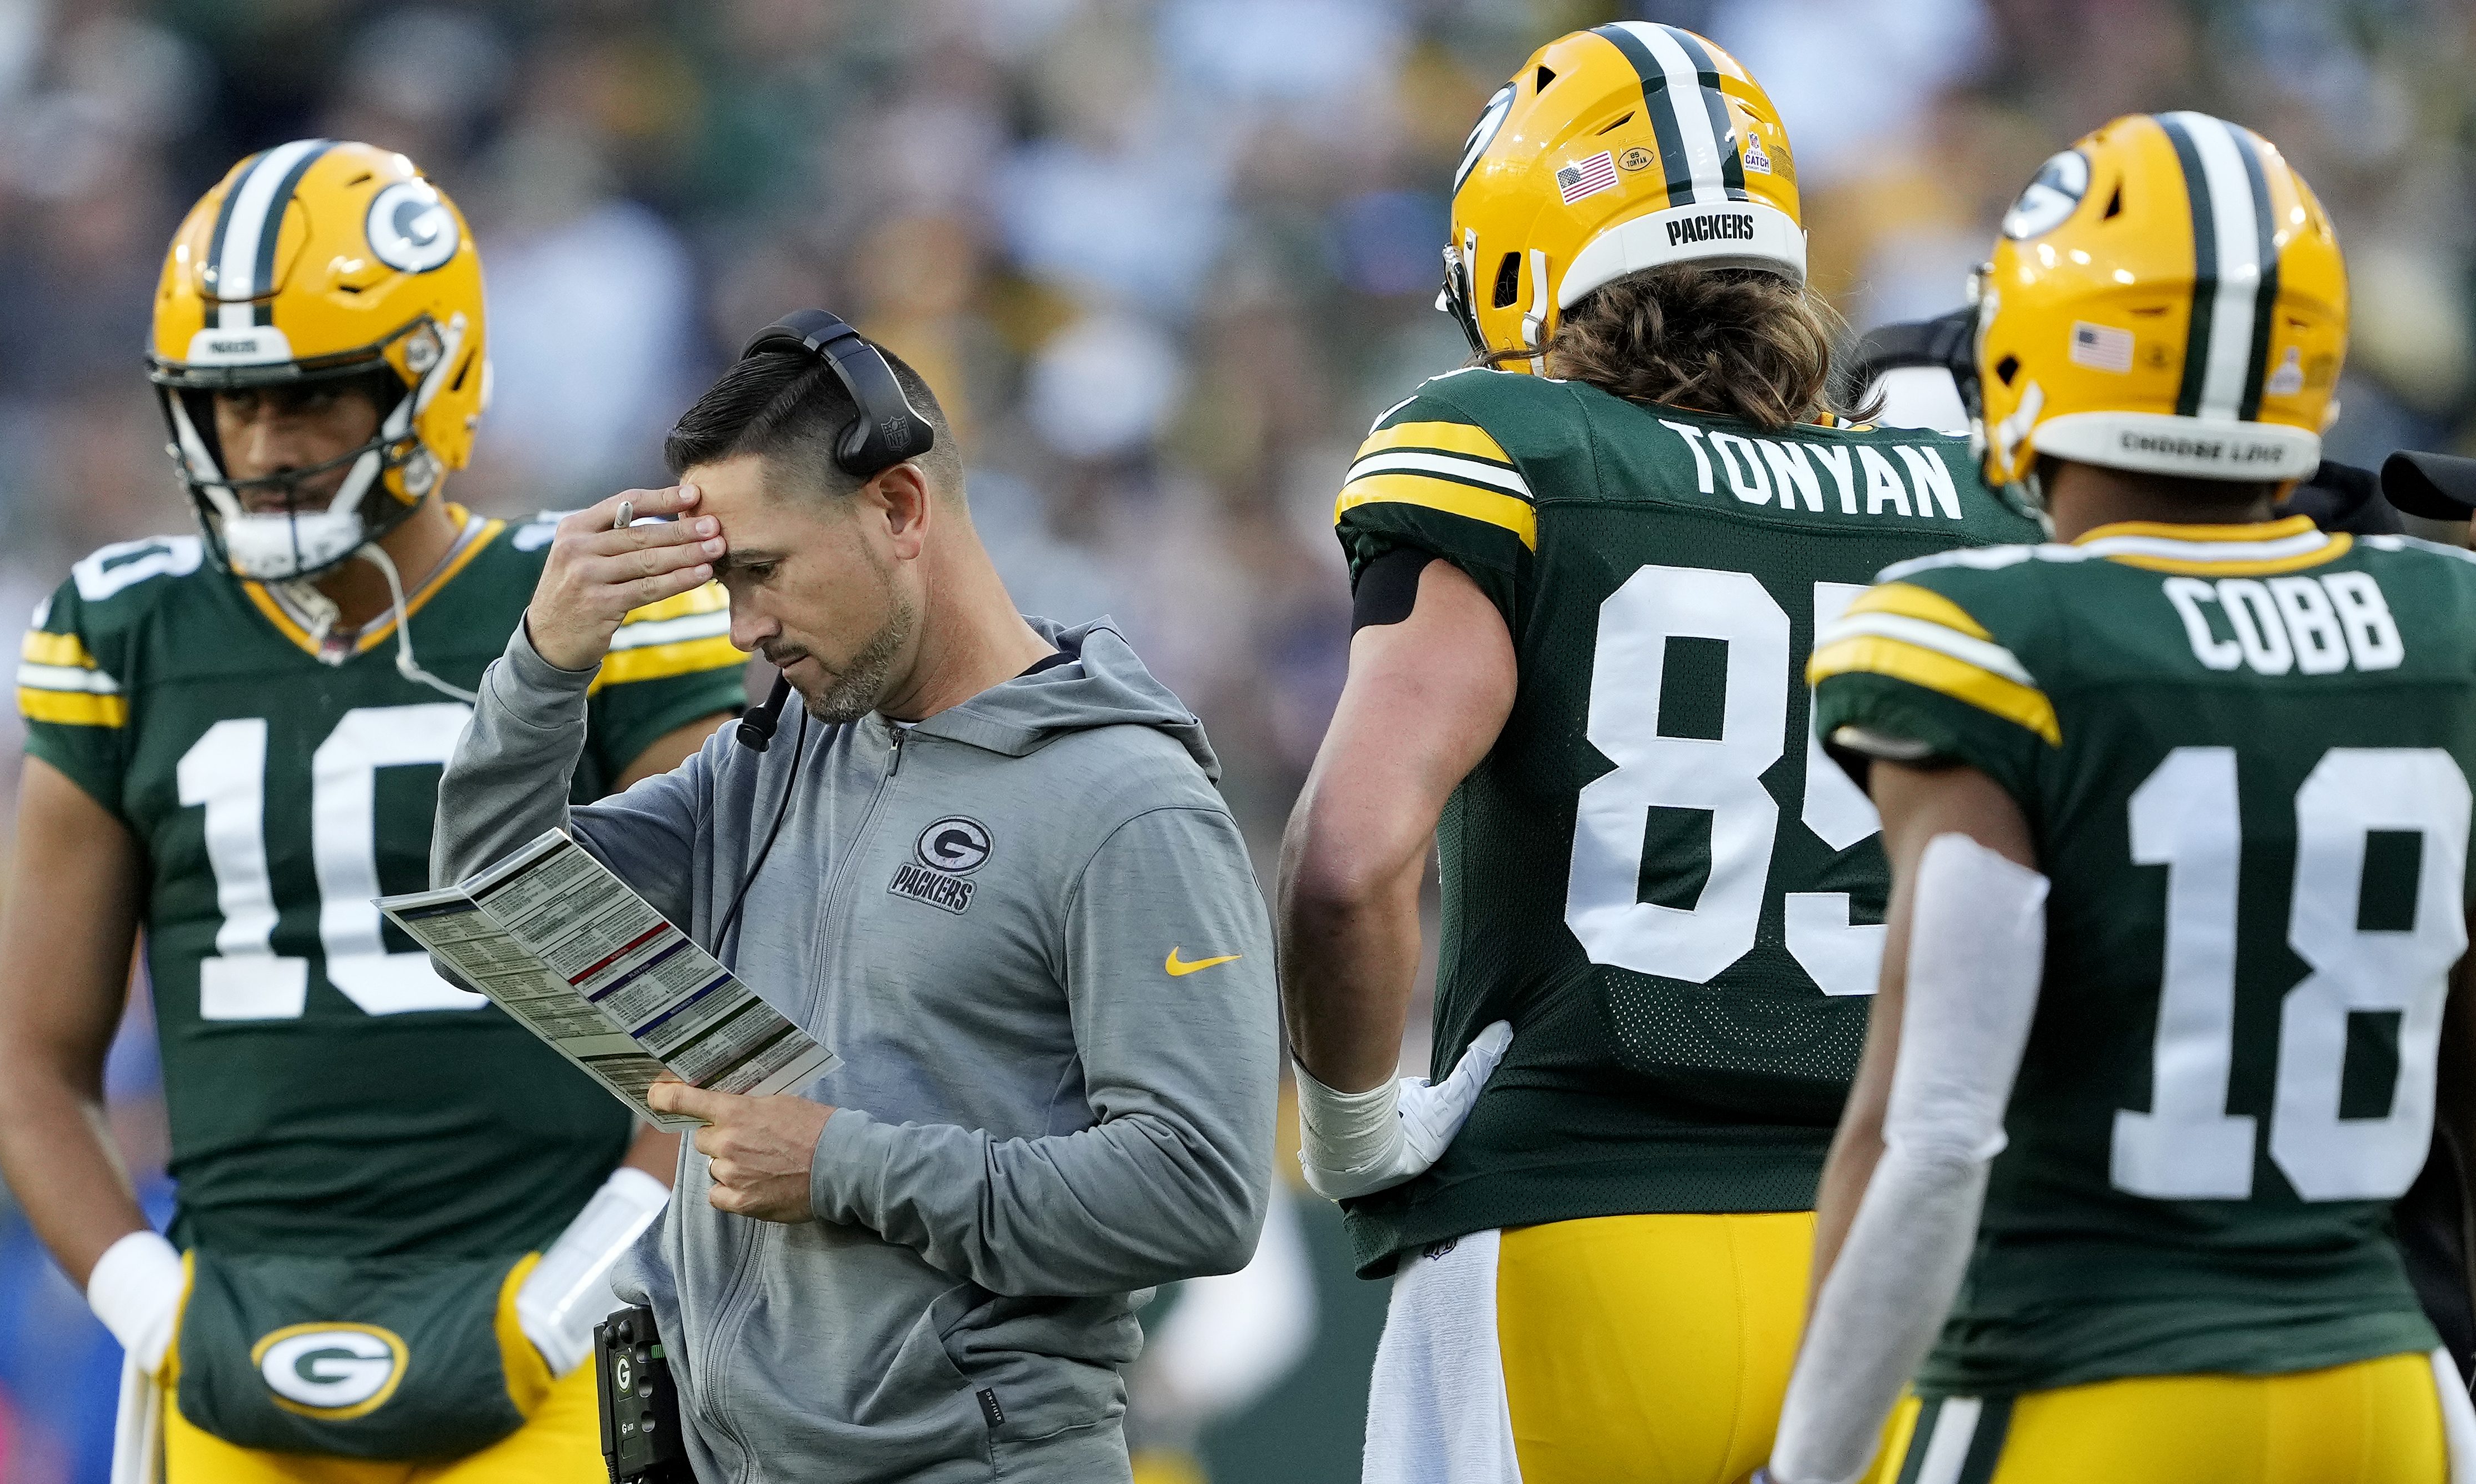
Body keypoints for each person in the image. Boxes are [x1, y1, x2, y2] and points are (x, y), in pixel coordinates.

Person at [1274, 23, 2046, 1484]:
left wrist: (1354, 1137)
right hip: (1890, 1271)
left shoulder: (1507, 442)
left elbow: (1343, 864)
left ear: (1514, 267)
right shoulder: (1969, 492)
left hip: (1576, 1243)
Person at [0, 140, 748, 1483]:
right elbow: (34, 1063)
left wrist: (573, 1298)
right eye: (231, 405)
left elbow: (720, 1031)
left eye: (313, 398)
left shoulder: (600, 606)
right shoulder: (126, 629)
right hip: (239, 1336)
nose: (265, 448)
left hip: (551, 1322)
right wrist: (153, 1314)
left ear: (431, 380)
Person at [429, 312, 1281, 1482]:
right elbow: (491, 914)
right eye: (724, 583)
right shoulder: (774, 760)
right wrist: (542, 662)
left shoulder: (1126, 803)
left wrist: (840, 1163)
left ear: (897, 508)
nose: (744, 627)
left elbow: (1198, 1191)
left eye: (761, 571)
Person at [1771, 112, 2476, 1484]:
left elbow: (1928, 1136)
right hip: (2378, 1390)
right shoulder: (2441, 622)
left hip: (2085, 1390)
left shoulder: (1987, 632)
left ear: (2028, 343)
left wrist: (1804, 1468)